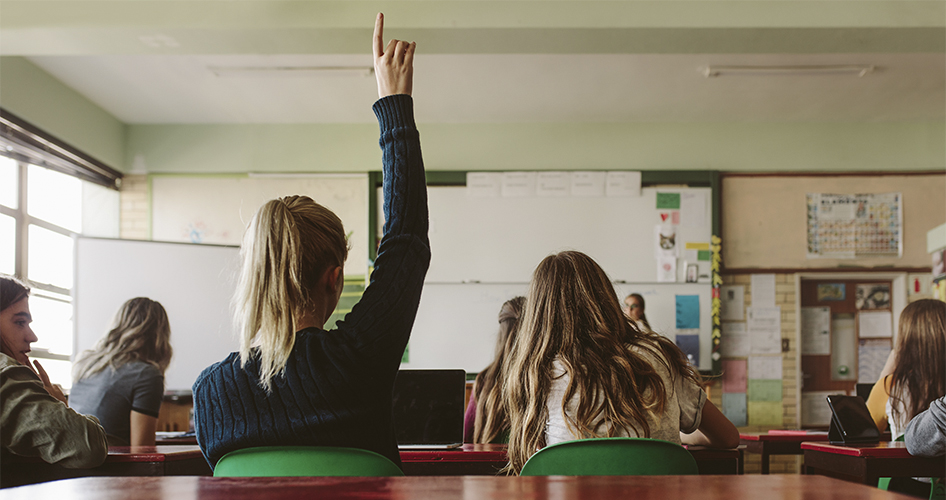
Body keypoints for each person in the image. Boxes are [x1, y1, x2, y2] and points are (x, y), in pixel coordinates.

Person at [192, 13, 428, 470]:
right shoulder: (358, 360)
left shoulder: (211, 392)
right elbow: (406, 238)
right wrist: (394, 101)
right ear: (334, 279)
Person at [503, 251, 738, 474]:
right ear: (606, 298)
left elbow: (536, 462)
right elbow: (728, 437)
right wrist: (681, 435)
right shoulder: (658, 356)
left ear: (538, 312)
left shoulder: (536, 372)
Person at [0, 275, 107, 468]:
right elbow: (88, 447)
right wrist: (60, 405)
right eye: (19, 322)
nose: (32, 337)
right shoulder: (7, 375)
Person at [69, 298, 172, 446]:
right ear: (159, 334)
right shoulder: (146, 374)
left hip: (71, 461)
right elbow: (142, 450)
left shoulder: (86, 363)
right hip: (110, 465)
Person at [866, 299, 946, 438]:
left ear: (905, 338)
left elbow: (862, 433)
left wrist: (886, 373)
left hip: (902, 460)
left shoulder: (890, 386)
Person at [463, 296, 525, 443]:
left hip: (486, 463)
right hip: (528, 464)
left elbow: (465, 437)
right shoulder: (539, 376)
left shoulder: (484, 379)